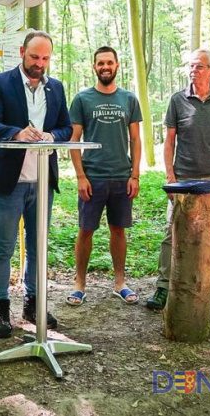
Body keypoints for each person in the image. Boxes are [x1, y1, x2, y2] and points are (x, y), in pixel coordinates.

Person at [0, 30, 72, 338]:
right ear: (22, 51)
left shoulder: (56, 88)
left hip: (42, 180)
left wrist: (51, 136)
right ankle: (0, 307)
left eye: (45, 58)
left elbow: (66, 128)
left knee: (38, 246)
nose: (39, 64)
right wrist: (18, 133)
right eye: (34, 57)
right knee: (3, 246)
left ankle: (34, 304)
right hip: (9, 181)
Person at [146, 48, 210, 311]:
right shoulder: (178, 100)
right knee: (171, 232)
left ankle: (203, 286)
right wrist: (170, 175)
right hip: (184, 177)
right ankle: (164, 286)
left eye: (199, 66)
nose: (193, 71)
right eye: (191, 66)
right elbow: (169, 141)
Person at [66, 46, 143, 306]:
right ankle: (79, 284)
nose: (105, 67)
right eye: (100, 63)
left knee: (118, 229)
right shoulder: (82, 99)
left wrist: (135, 175)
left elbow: (135, 138)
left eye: (109, 62)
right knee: (85, 230)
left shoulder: (129, 99)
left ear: (117, 65)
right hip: (93, 176)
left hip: (122, 176)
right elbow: (74, 140)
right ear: (94, 67)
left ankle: (120, 282)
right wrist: (80, 176)